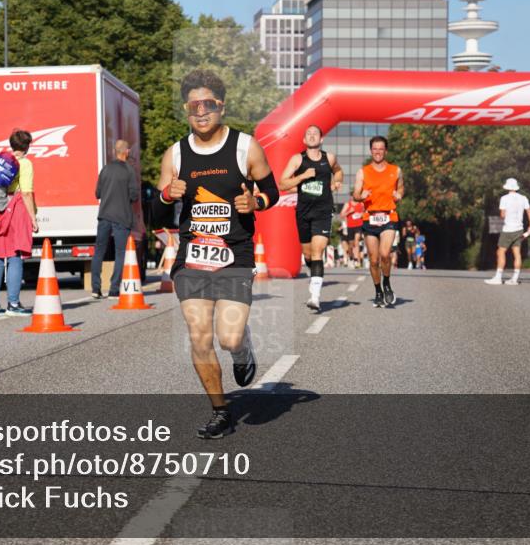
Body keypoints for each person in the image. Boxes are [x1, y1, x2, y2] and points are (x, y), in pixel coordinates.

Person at [153, 69, 279, 440]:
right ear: (186, 109)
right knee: (199, 335)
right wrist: (165, 197)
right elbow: (156, 216)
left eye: (209, 104)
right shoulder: (175, 154)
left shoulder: (245, 148)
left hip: (235, 256)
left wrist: (255, 201)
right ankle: (221, 411)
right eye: (194, 105)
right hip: (191, 257)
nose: (202, 111)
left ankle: (242, 351)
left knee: (228, 337)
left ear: (221, 107)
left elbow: (271, 190)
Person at [279, 125, 343, 311]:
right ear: (304, 141)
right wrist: (303, 177)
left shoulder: (329, 158)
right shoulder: (297, 159)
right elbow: (283, 183)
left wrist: (337, 180)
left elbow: (338, 171)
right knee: (308, 254)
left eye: (316, 133)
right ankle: (313, 273)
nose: (312, 135)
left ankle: (315, 296)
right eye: (309, 134)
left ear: (321, 139)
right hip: (303, 212)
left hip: (323, 212)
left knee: (318, 251)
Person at [0, 129, 38, 316]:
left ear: (12, 145)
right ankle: (13, 304)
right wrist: (33, 219)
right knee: (15, 256)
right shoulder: (25, 164)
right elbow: (27, 193)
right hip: (16, 209)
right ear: (27, 146)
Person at [353, 136, 403, 307]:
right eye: (375, 148)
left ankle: (387, 284)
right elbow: (355, 194)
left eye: (381, 149)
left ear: (386, 151)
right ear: (371, 150)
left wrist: (399, 194)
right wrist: (361, 196)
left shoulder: (395, 170)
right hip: (370, 217)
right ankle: (378, 291)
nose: (378, 152)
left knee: (384, 254)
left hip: (389, 216)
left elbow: (401, 187)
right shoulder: (363, 171)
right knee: (374, 260)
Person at [90, 139, 140, 299]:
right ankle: (113, 289)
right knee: (120, 253)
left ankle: (95, 289)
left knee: (99, 251)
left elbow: (97, 193)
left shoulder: (105, 170)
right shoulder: (129, 171)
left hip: (104, 215)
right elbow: (134, 195)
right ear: (127, 151)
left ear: (114, 151)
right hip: (122, 217)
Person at [485, 178, 530, 285]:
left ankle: (498, 277)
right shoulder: (523, 198)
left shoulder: (504, 198)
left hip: (508, 229)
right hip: (519, 229)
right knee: (517, 253)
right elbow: (529, 213)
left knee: (501, 252)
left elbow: (503, 215)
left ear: (507, 187)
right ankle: (514, 279)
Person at [339, 190, 365, 269]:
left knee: (356, 241)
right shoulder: (348, 204)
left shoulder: (361, 204)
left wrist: (362, 215)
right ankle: (351, 258)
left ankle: (357, 260)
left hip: (359, 225)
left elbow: (366, 213)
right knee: (351, 245)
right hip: (350, 226)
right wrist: (349, 212)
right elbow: (341, 215)